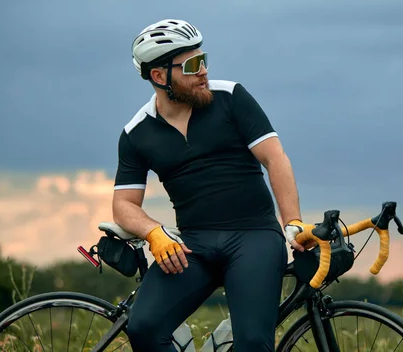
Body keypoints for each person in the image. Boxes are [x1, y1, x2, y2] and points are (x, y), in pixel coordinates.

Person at [112, 19, 314, 351]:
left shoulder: (231, 97)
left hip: (254, 237)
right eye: (191, 65)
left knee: (251, 342)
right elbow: (123, 205)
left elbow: (275, 158)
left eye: (203, 59)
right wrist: (154, 232)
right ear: (159, 76)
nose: (203, 71)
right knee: (143, 328)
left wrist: (291, 221)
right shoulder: (136, 134)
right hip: (194, 245)